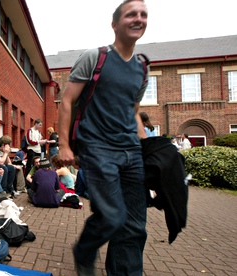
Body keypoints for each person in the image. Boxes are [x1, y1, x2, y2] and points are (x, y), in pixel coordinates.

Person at [57, 1, 149, 275]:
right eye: (131, 14)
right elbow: (67, 100)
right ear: (115, 24)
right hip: (97, 147)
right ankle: (84, 250)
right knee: (112, 215)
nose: (139, 18)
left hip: (131, 151)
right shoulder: (95, 57)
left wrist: (147, 147)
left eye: (143, 14)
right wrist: (63, 144)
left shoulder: (141, 68)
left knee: (134, 226)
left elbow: (134, 112)